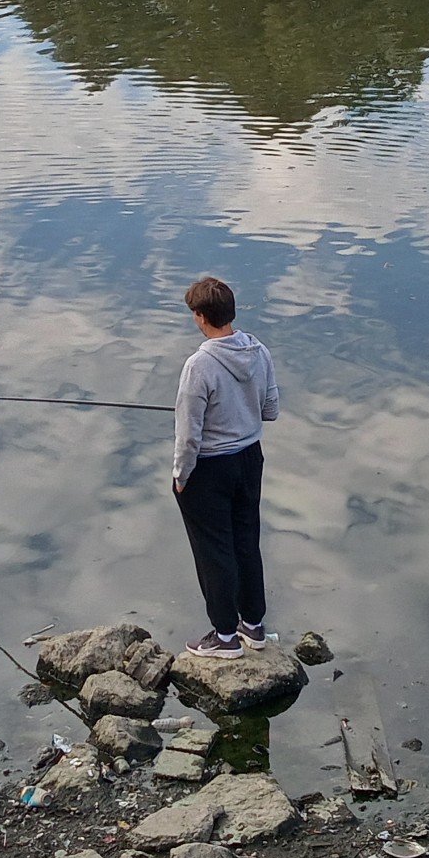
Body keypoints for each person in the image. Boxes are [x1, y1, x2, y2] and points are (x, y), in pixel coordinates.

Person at [170, 275, 279, 659]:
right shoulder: (259, 352)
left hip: (210, 469)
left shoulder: (199, 366)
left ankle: (225, 636)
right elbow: (271, 410)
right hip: (250, 460)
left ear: (201, 316)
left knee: (214, 551)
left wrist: (181, 476)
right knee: (246, 541)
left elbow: (188, 436)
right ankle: (254, 625)